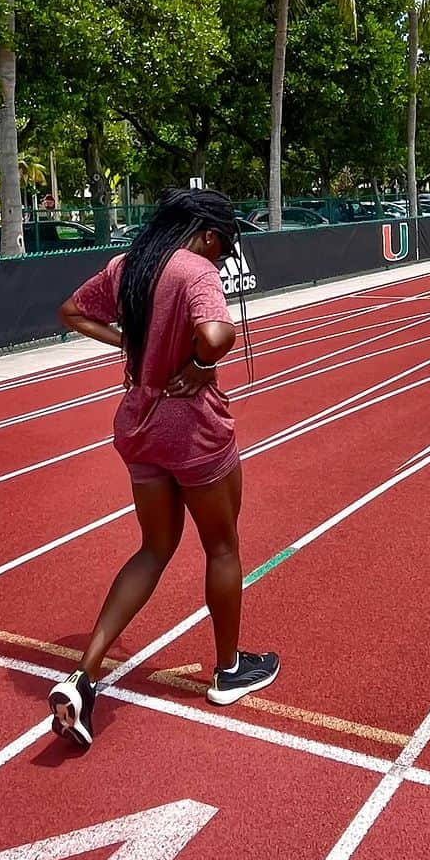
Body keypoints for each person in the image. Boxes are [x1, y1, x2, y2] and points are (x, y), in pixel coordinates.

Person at [48, 188, 278, 752]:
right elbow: (217, 335)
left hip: (138, 421)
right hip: (192, 426)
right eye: (225, 242)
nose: (226, 254)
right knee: (222, 547)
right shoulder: (196, 269)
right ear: (204, 232)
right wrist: (200, 365)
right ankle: (229, 670)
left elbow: (72, 311)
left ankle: (83, 676)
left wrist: (133, 343)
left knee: (153, 547)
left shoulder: (129, 264)